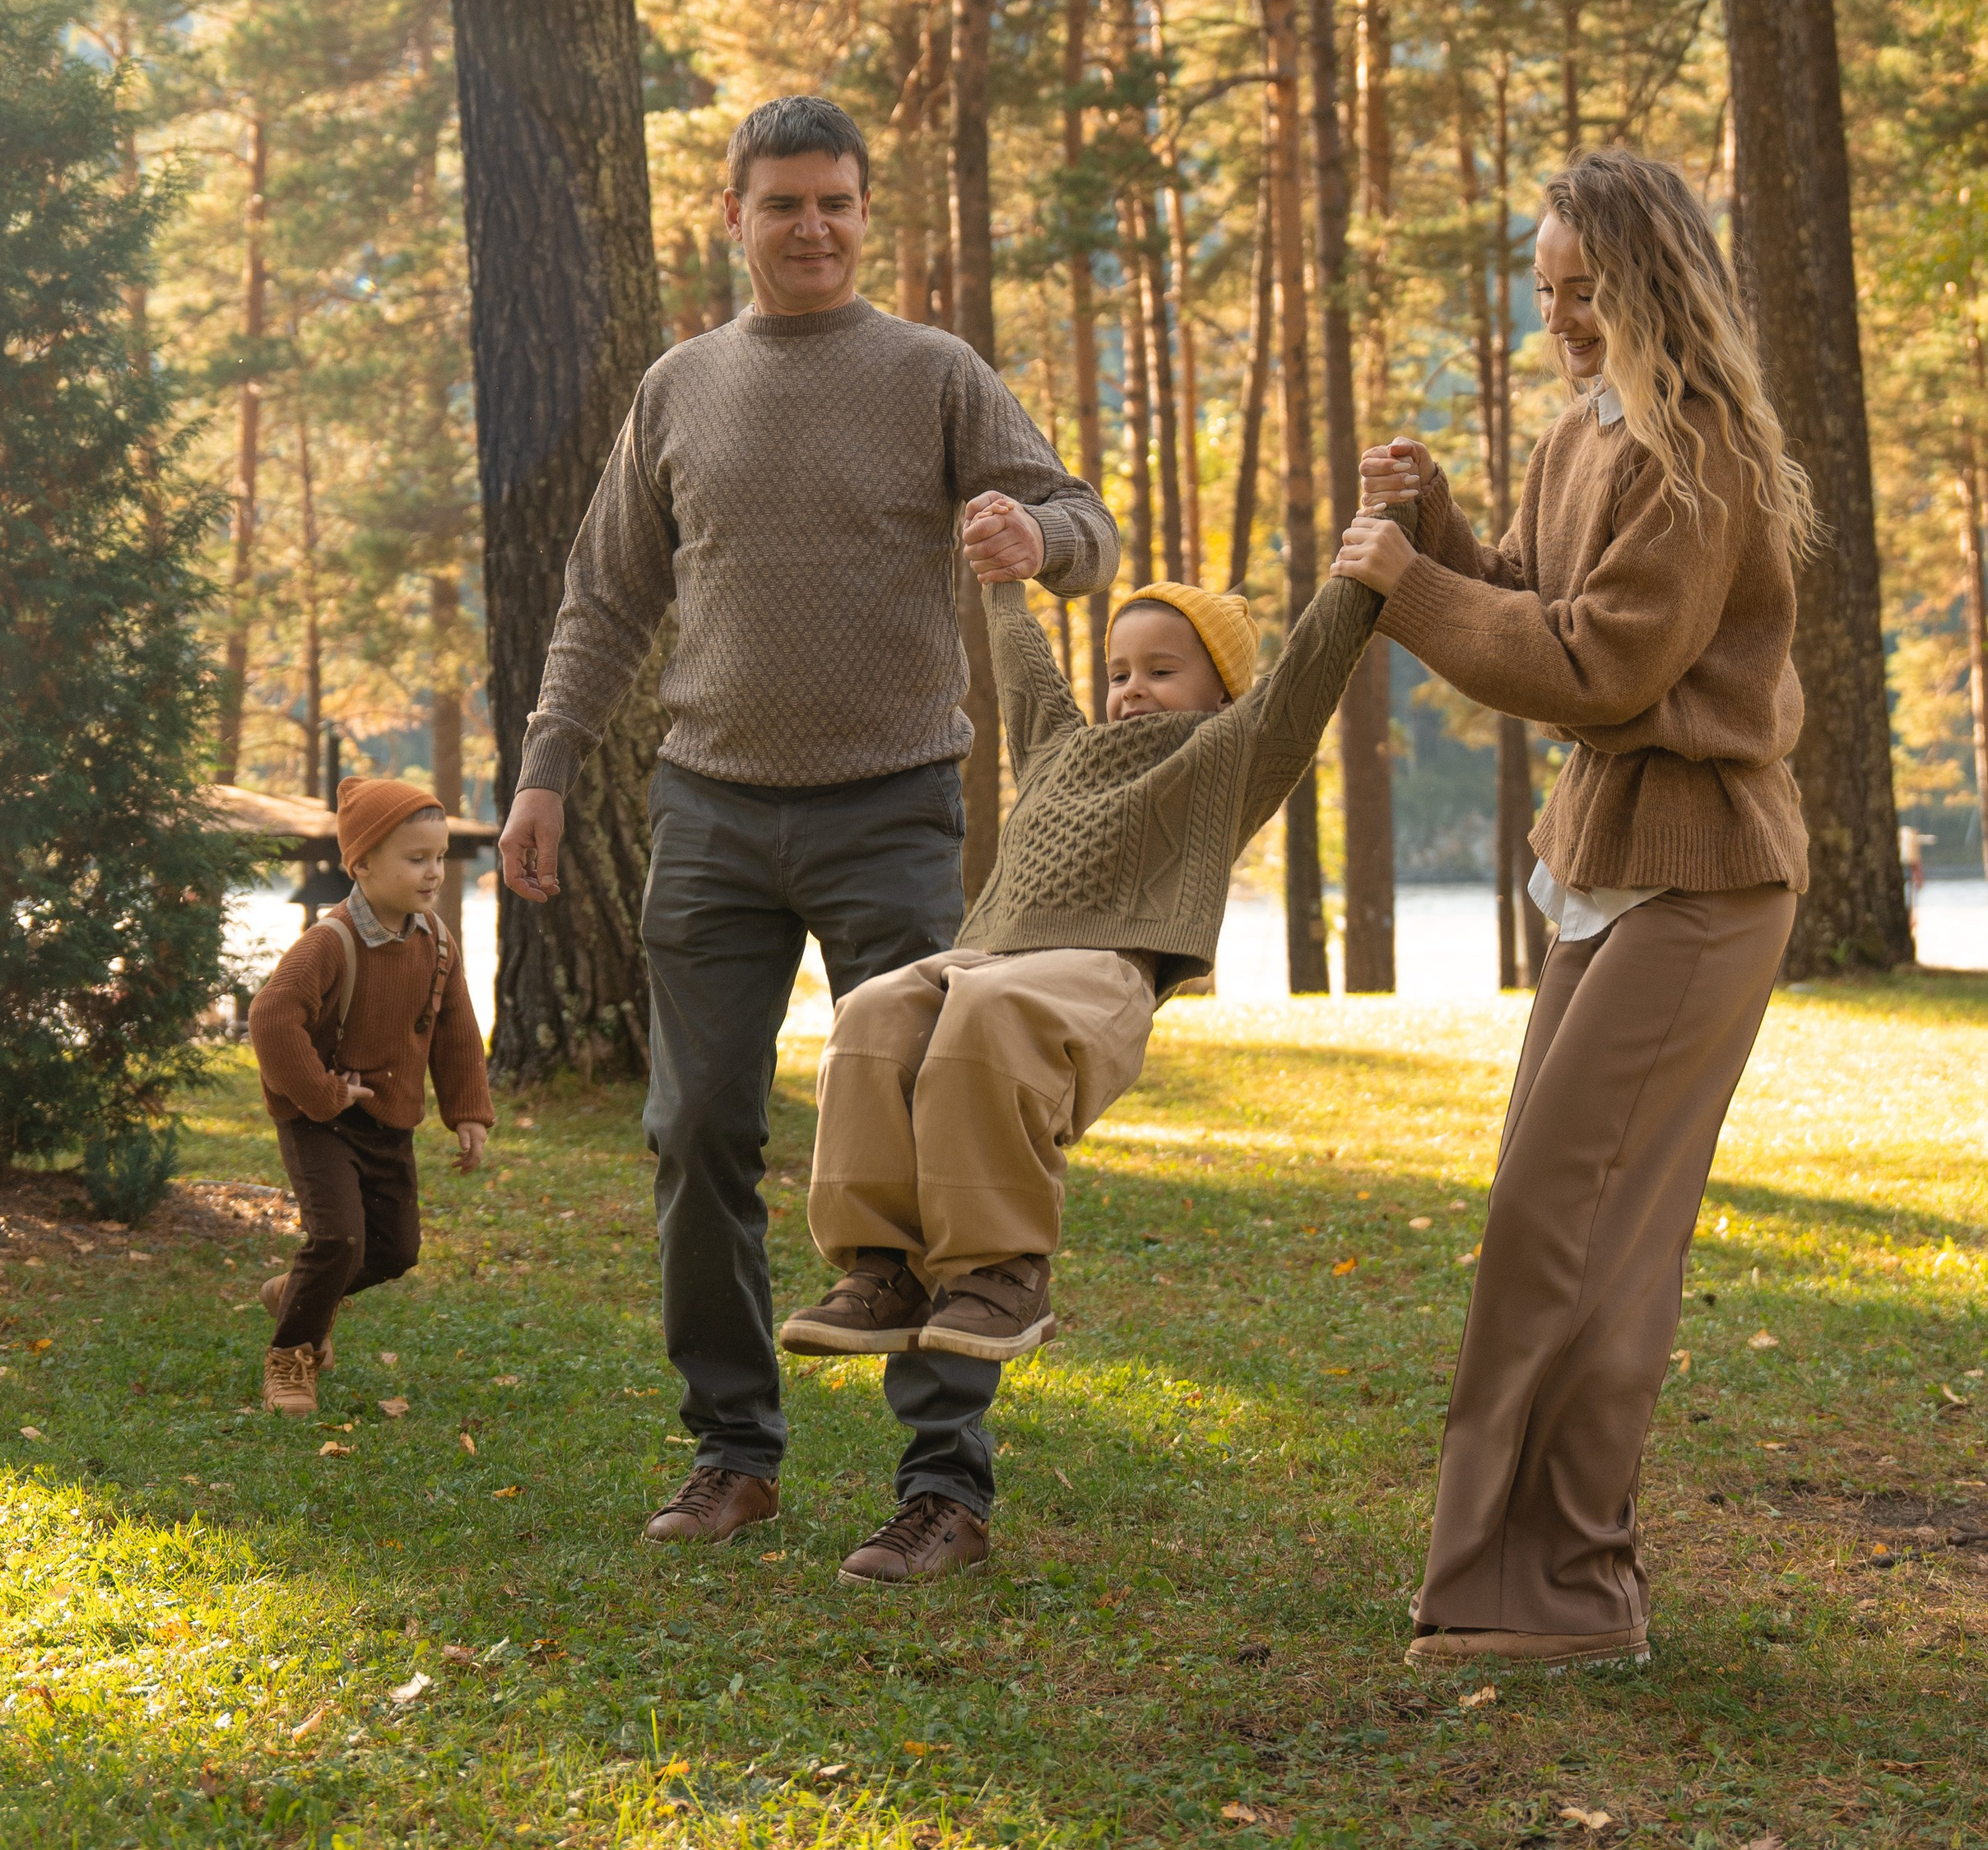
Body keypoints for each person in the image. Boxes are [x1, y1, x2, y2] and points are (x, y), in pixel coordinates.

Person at [498, 95, 1118, 1559]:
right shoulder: (680, 389)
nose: (814, 227)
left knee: (935, 1132)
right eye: (784, 204)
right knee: (695, 1126)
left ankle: (943, 1484)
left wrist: (1039, 540)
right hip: (708, 814)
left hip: (895, 808)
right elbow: (602, 599)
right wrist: (543, 767)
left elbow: (1081, 518)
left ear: (863, 210)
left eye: (836, 201)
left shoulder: (932, 375)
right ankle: (733, 1454)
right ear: (737, 218)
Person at [780, 498, 1415, 1584]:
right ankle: (881, 1266)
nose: (1132, 689)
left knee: (987, 1025)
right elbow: (1024, 672)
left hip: (1099, 971)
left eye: (1163, 670)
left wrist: (1361, 574)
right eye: (1122, 669)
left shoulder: (1232, 753)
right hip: (990, 952)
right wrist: (1001, 579)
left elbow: (1308, 673)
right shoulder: (1063, 749)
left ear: (1221, 688)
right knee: (876, 1012)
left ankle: (999, 1270)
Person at [1359, 147, 1811, 1673]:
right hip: (1605, 871)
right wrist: (1435, 527)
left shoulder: (1703, 453)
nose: (1559, 317)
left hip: (1703, 877)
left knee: (1582, 1229)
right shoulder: (1583, 434)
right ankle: (1543, 1577)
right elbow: (1527, 594)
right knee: (1550, 1221)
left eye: (1584, 290)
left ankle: (1560, 1589)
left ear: (1651, 283)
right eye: (1544, 291)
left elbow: (1601, 663)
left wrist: (1413, 597)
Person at [248, 775, 492, 1419]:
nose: (434, 872)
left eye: (439, 858)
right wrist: (324, 1095)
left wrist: (467, 1111)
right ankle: (291, 1359)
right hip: (320, 1119)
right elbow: (272, 1019)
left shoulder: (434, 941)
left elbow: (456, 1029)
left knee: (395, 1249)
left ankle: (302, 1292)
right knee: (337, 1241)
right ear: (362, 864)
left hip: (389, 1121)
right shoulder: (330, 944)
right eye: (417, 859)